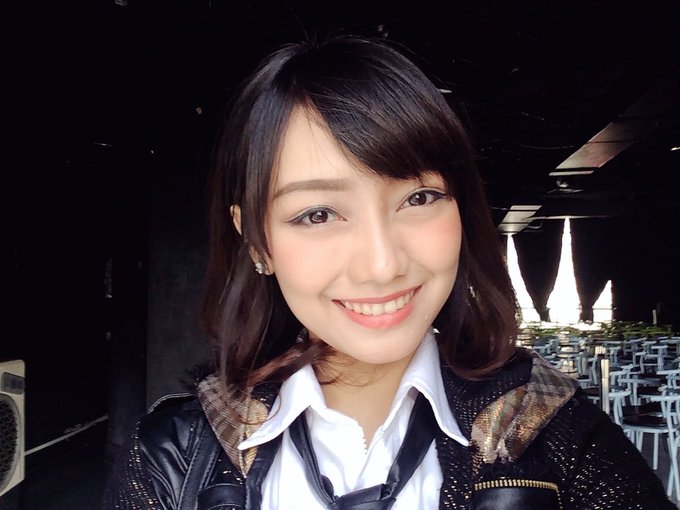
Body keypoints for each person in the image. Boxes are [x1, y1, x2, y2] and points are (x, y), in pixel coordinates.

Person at [103, 34, 676, 509]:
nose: (382, 265)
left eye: (419, 198)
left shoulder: (554, 433)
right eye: (318, 214)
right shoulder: (175, 457)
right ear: (257, 240)